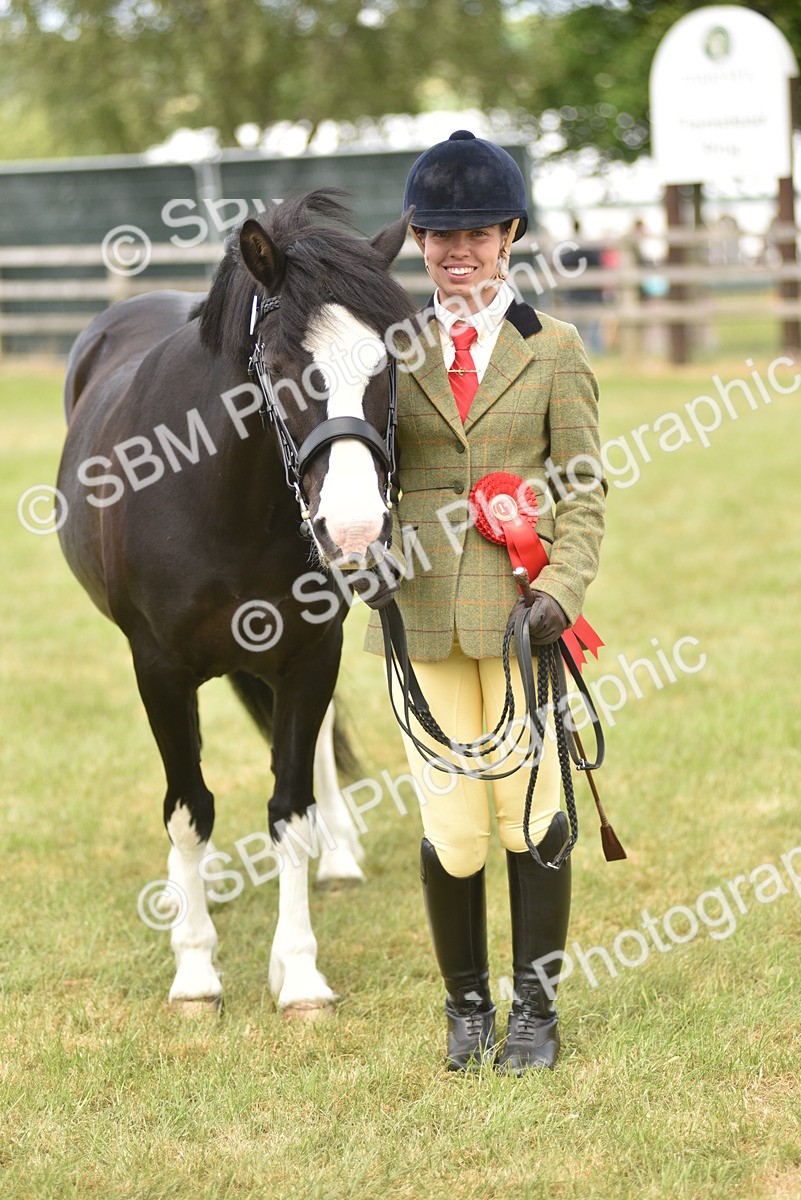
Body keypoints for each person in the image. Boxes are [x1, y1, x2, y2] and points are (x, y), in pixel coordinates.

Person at [364, 130, 606, 1073]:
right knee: (451, 826)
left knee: (532, 812)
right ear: (417, 239)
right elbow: (359, 476)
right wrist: (362, 559)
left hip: (519, 617)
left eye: (475, 233)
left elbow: (582, 488)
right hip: (420, 616)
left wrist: (559, 586)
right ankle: (466, 1011)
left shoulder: (554, 350)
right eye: (437, 235)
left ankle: (534, 1017)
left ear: (509, 234)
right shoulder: (386, 351)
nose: (455, 252)